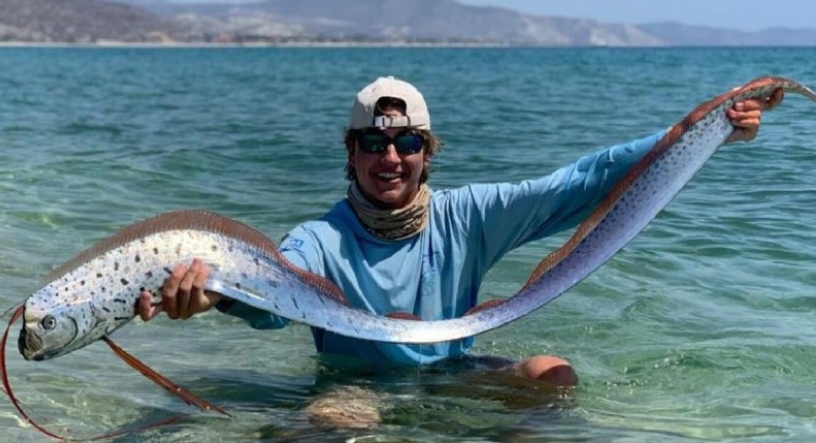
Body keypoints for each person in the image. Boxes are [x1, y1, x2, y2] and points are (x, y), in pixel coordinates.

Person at [138, 76, 782, 388]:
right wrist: (213, 293)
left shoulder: (468, 214)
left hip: (453, 372)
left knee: (553, 377)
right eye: (373, 142)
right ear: (352, 152)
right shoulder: (321, 240)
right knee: (342, 420)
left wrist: (701, 129)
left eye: (407, 142)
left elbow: (581, 182)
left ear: (428, 149)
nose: (391, 158)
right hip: (358, 391)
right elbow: (273, 291)